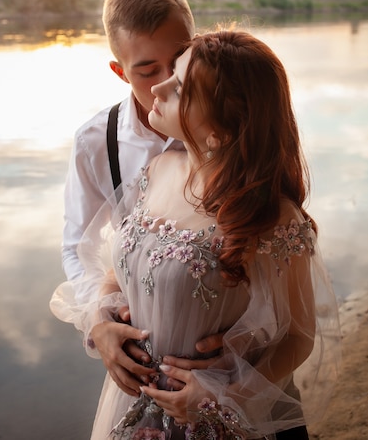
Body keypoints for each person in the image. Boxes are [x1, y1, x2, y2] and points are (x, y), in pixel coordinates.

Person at [51, 28, 341, 439]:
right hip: (130, 404)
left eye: (180, 84)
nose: (160, 85)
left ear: (219, 131)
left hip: (212, 418)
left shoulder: (275, 218)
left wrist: (224, 398)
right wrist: (102, 316)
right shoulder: (156, 172)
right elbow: (118, 267)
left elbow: (298, 336)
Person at [60, 0, 224, 396]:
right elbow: (78, 244)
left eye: (181, 60)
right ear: (119, 71)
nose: (169, 82)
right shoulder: (96, 142)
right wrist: (99, 320)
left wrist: (247, 346)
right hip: (146, 355)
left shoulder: (233, 123)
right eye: (149, 71)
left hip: (226, 351)